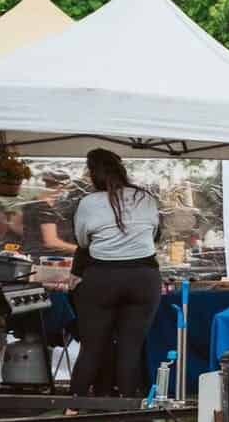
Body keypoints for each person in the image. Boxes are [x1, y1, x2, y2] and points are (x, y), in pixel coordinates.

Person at [69, 149, 161, 399]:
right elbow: (154, 234)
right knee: (131, 348)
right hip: (144, 277)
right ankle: (127, 409)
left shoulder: (89, 203)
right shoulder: (145, 198)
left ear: (92, 173)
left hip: (102, 277)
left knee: (92, 347)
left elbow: (82, 241)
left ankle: (73, 407)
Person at [21, 170, 78, 257]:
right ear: (61, 186)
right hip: (45, 257)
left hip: (33, 254)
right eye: (68, 188)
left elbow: (20, 226)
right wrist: (80, 250)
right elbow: (51, 242)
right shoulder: (43, 208)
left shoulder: (32, 202)